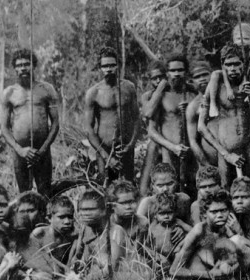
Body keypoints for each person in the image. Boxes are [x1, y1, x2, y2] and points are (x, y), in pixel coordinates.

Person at [0, 49, 60, 195]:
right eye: (19, 65)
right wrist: (20, 150)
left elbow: (56, 123)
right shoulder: (9, 93)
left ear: (33, 66)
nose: (23, 68)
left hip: (42, 151)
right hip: (20, 153)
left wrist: (44, 149)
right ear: (15, 69)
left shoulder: (46, 89)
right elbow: (4, 127)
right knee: (25, 194)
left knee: (45, 193)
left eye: (27, 64)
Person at [199, 45, 250, 185]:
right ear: (223, 66)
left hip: (249, 147)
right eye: (228, 65)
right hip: (225, 151)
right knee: (226, 193)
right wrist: (225, 154)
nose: (232, 69)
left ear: (244, 64)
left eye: (237, 64)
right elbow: (201, 127)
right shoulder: (216, 85)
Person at [84, 49, 140, 184]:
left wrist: (131, 145)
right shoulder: (94, 93)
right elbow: (88, 128)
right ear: (100, 68)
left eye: (112, 65)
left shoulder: (129, 88)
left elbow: (137, 119)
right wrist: (106, 155)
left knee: (128, 188)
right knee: (106, 190)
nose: (108, 69)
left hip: (125, 149)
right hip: (105, 150)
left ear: (117, 66)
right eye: (105, 66)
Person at [144, 53, 196, 193]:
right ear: (167, 73)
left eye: (180, 70)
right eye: (173, 70)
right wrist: (172, 147)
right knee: (170, 190)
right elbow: (151, 131)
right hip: (169, 150)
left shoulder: (193, 93)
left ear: (186, 71)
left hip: (192, 152)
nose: (177, 74)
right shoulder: (161, 96)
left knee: (192, 191)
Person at [69, 188, 125, 280]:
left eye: (91, 209)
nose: (85, 214)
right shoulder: (85, 228)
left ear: (104, 211)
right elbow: (77, 257)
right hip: (93, 279)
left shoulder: (116, 231)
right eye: (82, 210)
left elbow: (112, 268)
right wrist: (74, 270)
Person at [138, 62, 167, 197]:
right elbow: (148, 112)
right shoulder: (147, 96)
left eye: (160, 77)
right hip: (155, 141)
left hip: (171, 140)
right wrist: (160, 88)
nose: (157, 81)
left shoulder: (172, 93)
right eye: (154, 78)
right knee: (144, 184)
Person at [137, 163, 192, 228]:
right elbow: (137, 229)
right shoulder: (147, 203)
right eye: (160, 185)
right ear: (153, 186)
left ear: (176, 182)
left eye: (170, 184)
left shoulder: (183, 200)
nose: (165, 189)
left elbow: (190, 226)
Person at [144, 191, 187, 273]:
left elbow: (192, 231)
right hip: (160, 259)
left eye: (169, 213)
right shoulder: (152, 227)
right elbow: (146, 245)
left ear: (175, 212)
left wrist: (183, 230)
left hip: (176, 258)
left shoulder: (177, 222)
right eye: (162, 214)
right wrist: (156, 256)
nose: (166, 216)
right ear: (155, 215)